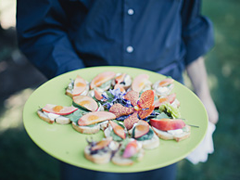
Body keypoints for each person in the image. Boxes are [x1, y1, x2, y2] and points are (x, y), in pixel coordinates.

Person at [16, 0, 219, 179]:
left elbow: (189, 23)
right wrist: (81, 85)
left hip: (161, 103)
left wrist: (203, 92)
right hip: (86, 97)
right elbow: (40, 26)